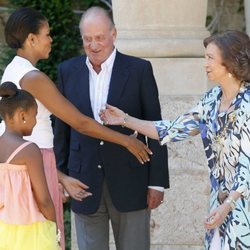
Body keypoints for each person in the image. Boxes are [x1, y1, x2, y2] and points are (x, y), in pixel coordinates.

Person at [0, 7, 151, 250]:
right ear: (31, 39)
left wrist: (61, 176)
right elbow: (79, 122)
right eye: (47, 34)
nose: (51, 39)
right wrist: (126, 141)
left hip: (29, 164)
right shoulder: (33, 77)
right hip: (36, 163)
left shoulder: (13, 70)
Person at [100, 30, 250, 250]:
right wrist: (125, 119)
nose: (204, 63)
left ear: (229, 62)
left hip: (241, 205)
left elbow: (248, 165)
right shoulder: (211, 100)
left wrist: (228, 205)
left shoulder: (247, 105)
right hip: (220, 205)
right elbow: (172, 129)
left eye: (210, 58)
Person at [53, 6, 169, 250]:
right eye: (87, 39)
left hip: (131, 181)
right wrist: (60, 177)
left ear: (113, 34)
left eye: (100, 38)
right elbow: (62, 129)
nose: (94, 45)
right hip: (83, 182)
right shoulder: (67, 71)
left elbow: (155, 126)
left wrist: (156, 183)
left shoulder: (139, 70)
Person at [0, 81, 60, 250]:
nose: (35, 122)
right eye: (35, 115)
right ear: (22, 115)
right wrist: (53, 228)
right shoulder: (29, 150)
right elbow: (44, 199)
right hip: (30, 232)